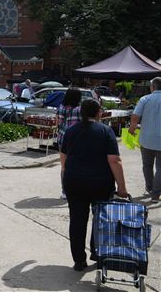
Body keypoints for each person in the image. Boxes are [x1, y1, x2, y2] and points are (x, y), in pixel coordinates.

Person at [60, 99, 128, 271]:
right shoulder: (106, 131)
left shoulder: (70, 131)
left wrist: (65, 182)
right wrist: (122, 187)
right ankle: (97, 253)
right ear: (98, 113)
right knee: (100, 219)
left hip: (74, 181)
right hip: (100, 183)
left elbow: (64, 162)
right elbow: (114, 161)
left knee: (77, 220)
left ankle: (79, 260)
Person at [129, 76, 161, 203]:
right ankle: (156, 194)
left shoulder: (145, 99)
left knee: (147, 165)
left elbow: (135, 116)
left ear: (152, 87)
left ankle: (150, 187)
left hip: (146, 139)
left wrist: (132, 129)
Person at [57, 88, 82, 199]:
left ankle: (64, 191)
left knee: (64, 166)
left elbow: (58, 122)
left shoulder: (61, 107)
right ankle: (76, 189)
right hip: (77, 140)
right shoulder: (80, 109)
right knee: (77, 165)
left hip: (62, 138)